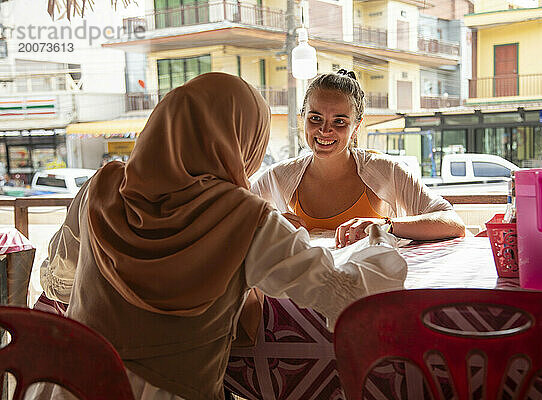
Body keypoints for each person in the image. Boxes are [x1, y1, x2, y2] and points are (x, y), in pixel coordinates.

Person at [32, 72, 407, 400]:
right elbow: (348, 296)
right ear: (241, 141)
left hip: (67, 381)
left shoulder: (101, 187)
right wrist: (377, 243)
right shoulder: (245, 217)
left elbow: (60, 282)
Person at [252, 70, 465, 247]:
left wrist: (385, 225)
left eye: (340, 121)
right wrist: (266, 224)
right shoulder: (278, 177)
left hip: (373, 290)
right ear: (303, 118)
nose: (325, 130)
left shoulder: (386, 171)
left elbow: (452, 223)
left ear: (356, 127)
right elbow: (230, 223)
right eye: (315, 118)